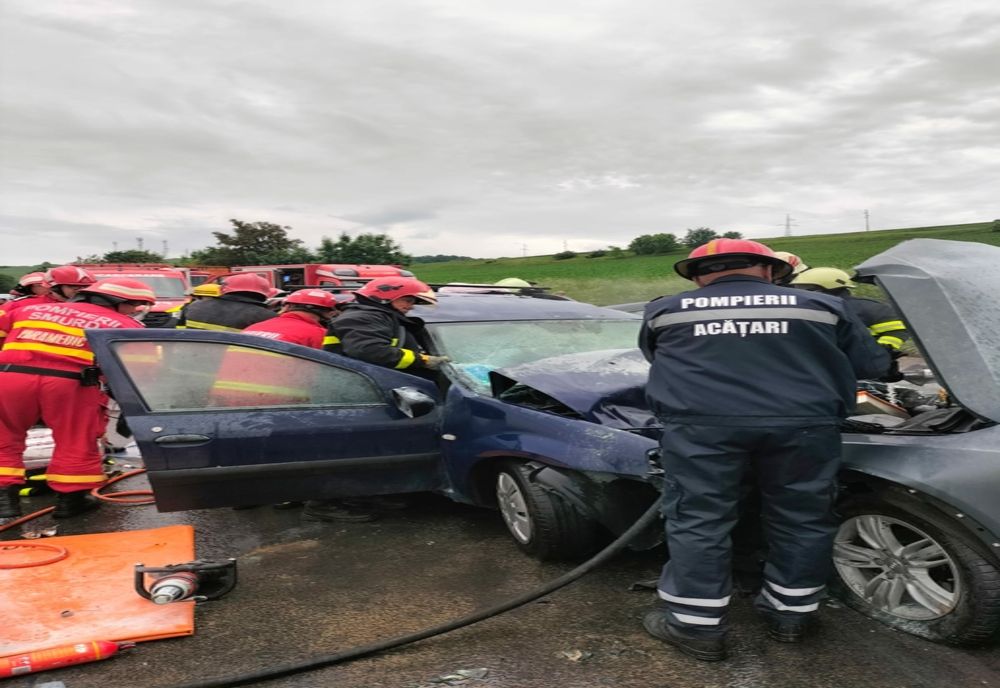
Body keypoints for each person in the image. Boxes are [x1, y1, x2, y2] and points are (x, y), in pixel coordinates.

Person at [639, 238, 890, 661]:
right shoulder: (822, 306)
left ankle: (695, 627)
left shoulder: (664, 311)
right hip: (805, 428)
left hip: (702, 430)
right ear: (770, 270)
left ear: (698, 276)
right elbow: (873, 366)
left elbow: (655, 356)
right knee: (803, 516)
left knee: (699, 519)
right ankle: (791, 615)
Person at [0, 278, 155, 519]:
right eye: (135, 305)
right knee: (75, 439)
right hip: (71, 384)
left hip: (10, 378)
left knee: (4, 437)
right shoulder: (125, 325)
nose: (135, 310)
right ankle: (71, 502)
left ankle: (4, 504)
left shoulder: (28, 309)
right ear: (118, 302)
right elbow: (139, 371)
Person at [323, 277, 449, 376]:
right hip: (367, 385)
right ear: (385, 296)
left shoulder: (379, 316)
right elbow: (371, 351)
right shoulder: (363, 317)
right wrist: (423, 360)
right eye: (408, 300)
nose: (411, 306)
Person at [790, 267, 910, 354]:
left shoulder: (869, 308)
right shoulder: (802, 309)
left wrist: (880, 350)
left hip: (861, 368)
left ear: (825, 288)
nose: (799, 293)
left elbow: (897, 330)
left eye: (804, 289)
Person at [0, 266, 96, 341]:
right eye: (74, 287)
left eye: (86, 287)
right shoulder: (18, 305)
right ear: (55, 287)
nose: (82, 291)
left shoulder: (97, 307)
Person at [176, 273, 276, 331]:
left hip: (191, 359)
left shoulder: (193, 306)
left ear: (224, 289)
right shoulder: (267, 316)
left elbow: (179, 332)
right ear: (264, 293)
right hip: (233, 363)